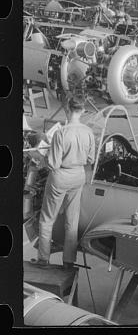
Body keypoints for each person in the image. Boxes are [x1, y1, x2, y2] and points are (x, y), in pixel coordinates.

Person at [31, 96, 95, 269]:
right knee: (72, 221)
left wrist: (42, 155)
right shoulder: (89, 132)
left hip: (60, 177)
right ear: (82, 111)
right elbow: (90, 159)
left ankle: (43, 259)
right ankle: (68, 261)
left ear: (68, 109)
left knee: (46, 219)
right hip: (78, 176)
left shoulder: (61, 133)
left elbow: (53, 163)